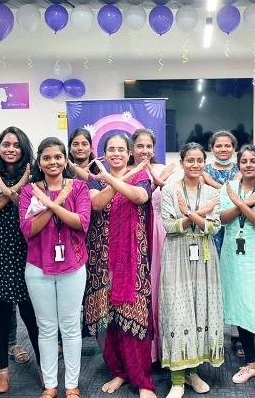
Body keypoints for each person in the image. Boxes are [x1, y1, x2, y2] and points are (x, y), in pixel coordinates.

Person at [83, 134, 156, 398]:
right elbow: (96, 203)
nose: (117, 154)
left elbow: (139, 197)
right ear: (104, 154)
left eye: (121, 150)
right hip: (101, 261)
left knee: (134, 317)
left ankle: (142, 380)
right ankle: (119, 372)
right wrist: (117, 178)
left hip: (132, 262)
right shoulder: (94, 180)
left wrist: (118, 178)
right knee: (108, 319)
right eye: (111, 149)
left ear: (128, 153)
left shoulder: (141, 177)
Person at [20, 137, 91, 398]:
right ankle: (50, 384)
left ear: (65, 160)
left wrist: (50, 203)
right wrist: (56, 203)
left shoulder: (79, 188)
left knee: (70, 326)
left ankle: (71, 385)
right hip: (38, 267)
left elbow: (81, 222)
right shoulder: (29, 191)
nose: (52, 162)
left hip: (72, 265)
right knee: (47, 327)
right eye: (47, 158)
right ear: (39, 162)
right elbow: (29, 229)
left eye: (57, 157)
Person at [0, 127, 39, 393]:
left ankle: (44, 367)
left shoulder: (35, 174)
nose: (11, 149)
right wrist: (12, 190)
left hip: (29, 250)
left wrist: (20, 188)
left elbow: (38, 209)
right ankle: (2, 370)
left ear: (24, 147)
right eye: (5, 144)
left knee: (33, 315)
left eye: (16, 145)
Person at [159, 143, 223, 398]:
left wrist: (188, 213)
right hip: (176, 253)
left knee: (200, 310)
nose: (195, 165)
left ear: (204, 163)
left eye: (199, 160)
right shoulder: (169, 190)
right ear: (182, 162)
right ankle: (177, 379)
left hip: (205, 256)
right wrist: (200, 214)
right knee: (177, 312)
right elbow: (170, 227)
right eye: (190, 160)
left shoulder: (212, 192)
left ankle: (193, 372)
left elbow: (214, 228)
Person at [219, 145, 255, 398]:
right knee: (240, 310)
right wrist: (244, 203)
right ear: (239, 164)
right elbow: (222, 218)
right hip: (233, 258)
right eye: (244, 161)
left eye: (254, 161)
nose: (249, 165)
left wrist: (242, 205)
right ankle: (251, 365)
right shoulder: (228, 188)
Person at [129, 128, 177, 364]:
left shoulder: (163, 170)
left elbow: (175, 201)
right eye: (140, 146)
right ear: (131, 149)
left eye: (149, 146)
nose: (145, 151)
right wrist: (155, 184)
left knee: (161, 287)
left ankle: (162, 350)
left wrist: (161, 182)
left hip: (160, 231)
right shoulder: (126, 172)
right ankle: (141, 351)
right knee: (139, 290)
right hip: (134, 232)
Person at [200, 131, 243, 358]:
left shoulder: (241, 169)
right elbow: (207, 199)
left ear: (234, 148)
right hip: (211, 229)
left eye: (228, 145)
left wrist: (212, 183)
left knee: (234, 280)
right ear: (212, 148)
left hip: (236, 229)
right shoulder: (203, 169)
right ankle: (211, 332)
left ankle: (237, 334)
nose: (223, 149)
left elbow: (237, 197)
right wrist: (219, 188)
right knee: (211, 280)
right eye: (219, 146)